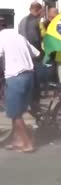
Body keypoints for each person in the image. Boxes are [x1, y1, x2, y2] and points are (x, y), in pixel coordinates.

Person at [0, 16, 40, 153]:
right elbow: (36, 53)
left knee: (16, 114)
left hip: (15, 78)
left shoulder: (1, 38)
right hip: (29, 76)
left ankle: (28, 144)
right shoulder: (19, 36)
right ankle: (17, 140)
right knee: (16, 111)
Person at [18, 2, 43, 113]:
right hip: (31, 56)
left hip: (22, 55)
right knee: (35, 82)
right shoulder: (33, 22)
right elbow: (34, 40)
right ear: (37, 10)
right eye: (41, 11)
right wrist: (40, 53)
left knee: (28, 81)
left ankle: (27, 104)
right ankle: (34, 106)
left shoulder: (22, 21)